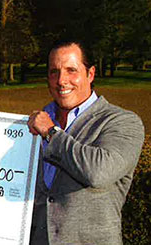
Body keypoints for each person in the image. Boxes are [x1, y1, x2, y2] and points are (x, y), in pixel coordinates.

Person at [27, 40, 145, 244]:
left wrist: (51, 133)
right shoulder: (33, 126)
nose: (61, 80)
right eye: (54, 71)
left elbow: (99, 172)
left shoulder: (122, 122)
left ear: (90, 74)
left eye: (71, 70)